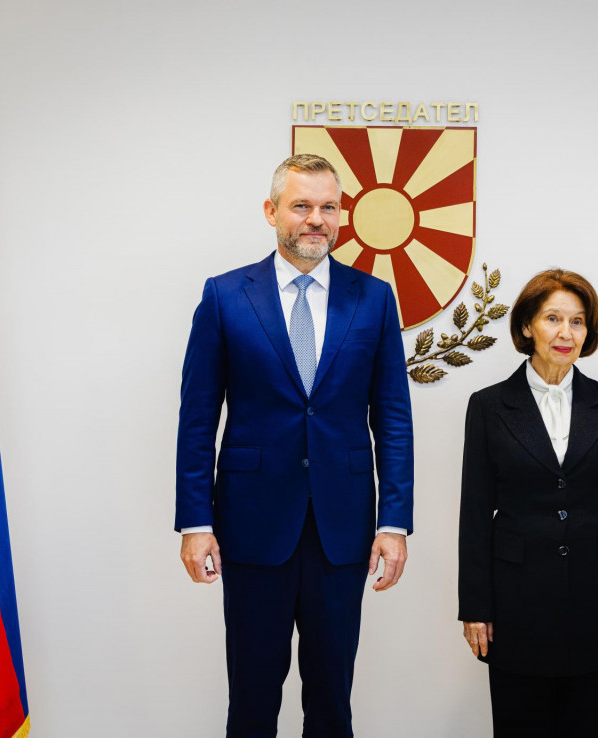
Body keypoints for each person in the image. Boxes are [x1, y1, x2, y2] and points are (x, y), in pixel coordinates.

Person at [176, 154, 414, 738]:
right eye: (302, 206)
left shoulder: (374, 298)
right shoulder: (226, 295)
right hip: (252, 522)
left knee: (332, 697)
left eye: (328, 207)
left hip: (344, 528)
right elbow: (198, 416)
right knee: (253, 696)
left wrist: (395, 522)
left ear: (342, 215)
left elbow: (392, 417)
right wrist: (194, 522)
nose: (316, 220)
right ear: (272, 211)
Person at [458, 269, 598, 738]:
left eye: (578, 322)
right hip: (516, 601)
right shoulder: (487, 406)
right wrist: (474, 606)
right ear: (528, 326)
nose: (566, 333)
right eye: (553, 318)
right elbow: (473, 512)